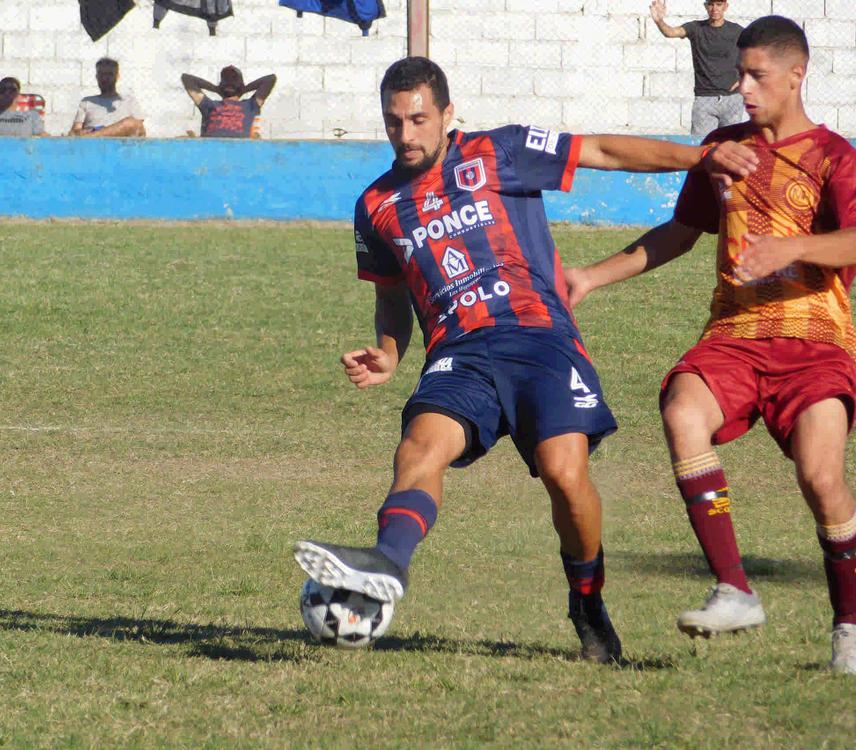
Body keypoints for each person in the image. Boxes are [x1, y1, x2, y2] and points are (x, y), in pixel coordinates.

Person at [292, 56, 755, 664]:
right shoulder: (375, 204)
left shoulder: (500, 150)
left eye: (418, 119)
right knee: (418, 449)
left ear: (447, 114)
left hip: (540, 339)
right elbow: (390, 294)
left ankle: (587, 600)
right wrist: (386, 353)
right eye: (393, 122)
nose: (405, 134)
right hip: (458, 353)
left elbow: (604, 153)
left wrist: (699, 156)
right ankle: (388, 563)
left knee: (565, 476)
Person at [564, 16, 856, 673]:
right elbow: (679, 232)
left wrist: (796, 246)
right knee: (681, 412)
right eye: (739, 73)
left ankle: (850, 626)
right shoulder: (722, 149)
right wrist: (591, 276)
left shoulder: (835, 156)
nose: (741, 85)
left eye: (756, 75)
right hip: (733, 337)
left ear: (795, 76)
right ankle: (734, 586)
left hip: (815, 341)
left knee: (822, 478)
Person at [650, 0, 744, 138]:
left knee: (730, 146)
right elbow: (670, 32)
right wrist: (659, 21)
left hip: (732, 98)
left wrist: (743, 79)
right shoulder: (695, 28)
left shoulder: (737, 31)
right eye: (711, 5)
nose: (714, 9)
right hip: (704, 99)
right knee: (700, 145)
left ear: (725, 6)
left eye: (719, 4)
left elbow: (755, 51)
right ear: (706, 6)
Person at [181, 66, 276, 138]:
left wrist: (216, 89)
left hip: (210, 153)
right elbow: (271, 79)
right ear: (240, 87)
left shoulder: (209, 106)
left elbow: (187, 78)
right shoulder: (250, 106)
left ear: (221, 88)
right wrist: (243, 90)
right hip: (239, 154)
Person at [70, 58, 146, 138]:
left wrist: (95, 133)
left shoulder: (129, 101)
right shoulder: (86, 102)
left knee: (130, 123)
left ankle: (94, 137)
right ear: (96, 77)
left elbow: (140, 130)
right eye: (101, 74)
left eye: (109, 74)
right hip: (92, 146)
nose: (105, 78)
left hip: (121, 147)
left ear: (117, 76)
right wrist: (94, 130)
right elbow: (75, 132)